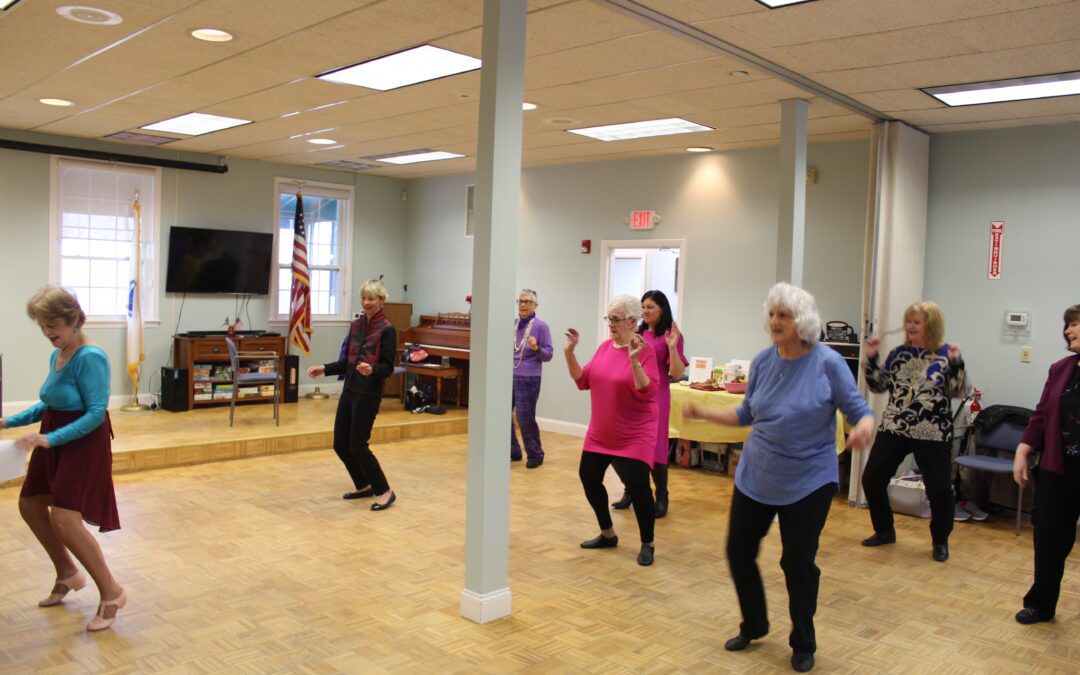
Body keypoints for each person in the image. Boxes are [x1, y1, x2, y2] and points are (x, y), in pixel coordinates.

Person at [683, 282, 874, 673]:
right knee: (738, 551)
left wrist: (864, 427)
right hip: (757, 474)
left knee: (798, 563)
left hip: (808, 480)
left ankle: (803, 641)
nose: (774, 321)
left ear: (800, 321)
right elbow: (745, 415)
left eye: (783, 315)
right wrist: (702, 413)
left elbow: (859, 409)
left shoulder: (827, 363)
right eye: (772, 314)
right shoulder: (765, 361)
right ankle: (754, 624)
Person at [0, 286, 125, 632]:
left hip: (82, 441)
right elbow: (51, 402)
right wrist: (9, 421)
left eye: (52, 325)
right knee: (30, 504)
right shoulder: (59, 353)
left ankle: (112, 592)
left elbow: (97, 412)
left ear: (73, 319)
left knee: (66, 519)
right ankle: (68, 573)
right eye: (42, 327)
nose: (47, 333)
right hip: (53, 434)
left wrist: (49, 439)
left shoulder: (90, 356)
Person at [860, 301, 966, 563]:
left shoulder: (945, 354)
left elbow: (957, 391)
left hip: (932, 430)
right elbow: (878, 386)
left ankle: (940, 540)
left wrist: (957, 364)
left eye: (916, 322)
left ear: (931, 325)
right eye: (908, 321)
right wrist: (871, 358)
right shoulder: (898, 353)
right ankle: (884, 530)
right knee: (872, 478)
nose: (910, 326)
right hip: (896, 426)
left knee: (939, 490)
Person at [565, 294, 660, 566]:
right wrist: (569, 352)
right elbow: (583, 380)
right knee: (588, 477)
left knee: (639, 487)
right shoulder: (605, 348)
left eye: (616, 319)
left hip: (634, 434)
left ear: (633, 321)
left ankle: (647, 543)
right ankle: (608, 534)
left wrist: (634, 360)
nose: (611, 324)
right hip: (601, 433)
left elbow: (648, 391)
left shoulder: (644, 351)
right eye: (609, 318)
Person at [1012, 304, 1080, 625]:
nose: (1068, 330)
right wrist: (1023, 449)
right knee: (1050, 537)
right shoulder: (1060, 368)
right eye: (1066, 325)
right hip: (1059, 468)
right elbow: (1040, 415)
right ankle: (1041, 603)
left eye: (1075, 324)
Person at [308, 279, 397, 511]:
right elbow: (346, 362)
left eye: (372, 298)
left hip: (368, 393)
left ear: (381, 300)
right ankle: (364, 484)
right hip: (349, 389)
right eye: (364, 298)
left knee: (358, 445)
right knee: (340, 444)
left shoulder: (387, 329)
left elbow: (388, 367)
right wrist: (324, 369)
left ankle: (385, 491)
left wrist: (372, 370)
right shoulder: (356, 326)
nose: (367, 302)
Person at [612, 290, 687, 517]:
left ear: (662, 309)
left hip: (658, 395)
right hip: (632, 393)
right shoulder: (637, 333)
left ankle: (662, 495)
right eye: (643, 307)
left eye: (650, 307)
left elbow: (676, 373)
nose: (645, 311)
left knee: (656, 447)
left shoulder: (671, 335)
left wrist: (672, 347)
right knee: (622, 445)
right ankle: (632, 490)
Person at [510, 288, 554, 469]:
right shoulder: (512, 324)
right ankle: (513, 450)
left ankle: (535, 454)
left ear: (536, 305)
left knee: (524, 417)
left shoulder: (541, 326)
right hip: (509, 375)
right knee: (502, 415)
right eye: (520, 301)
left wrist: (536, 348)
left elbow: (549, 355)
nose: (522, 304)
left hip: (529, 378)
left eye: (527, 301)